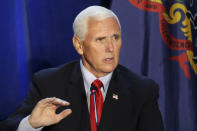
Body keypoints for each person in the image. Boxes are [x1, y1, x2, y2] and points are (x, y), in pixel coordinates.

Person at [0, 6, 164, 131]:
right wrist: (30, 124)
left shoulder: (142, 90)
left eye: (115, 37)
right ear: (79, 45)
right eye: (100, 40)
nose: (111, 48)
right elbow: (8, 127)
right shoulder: (48, 83)